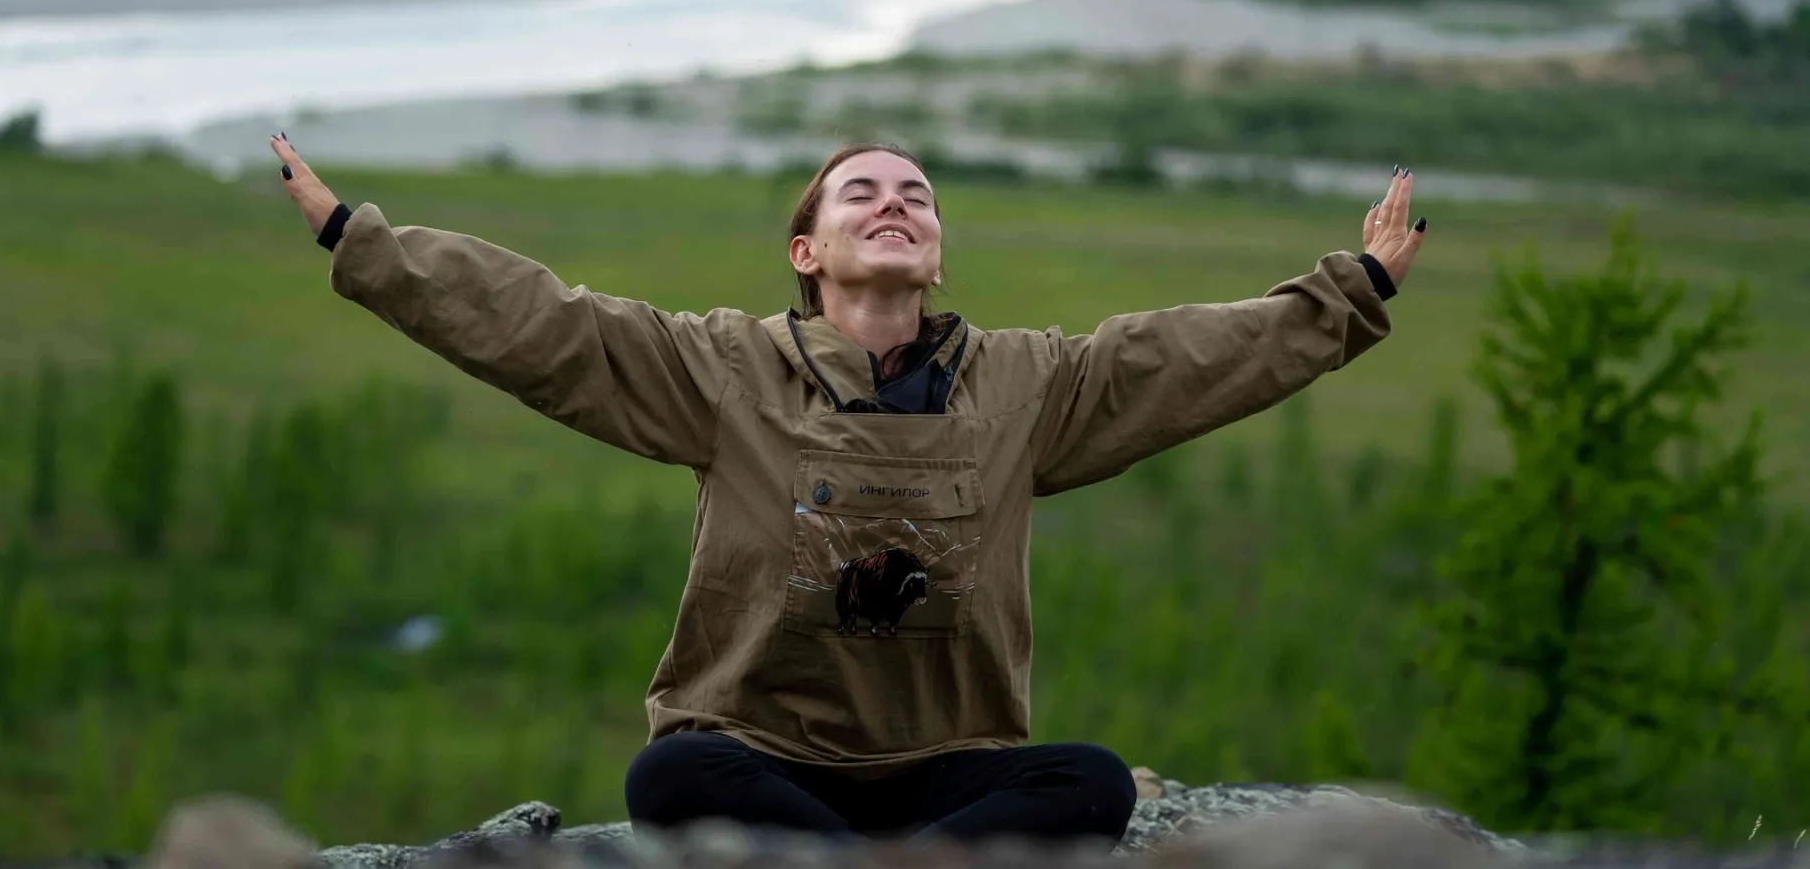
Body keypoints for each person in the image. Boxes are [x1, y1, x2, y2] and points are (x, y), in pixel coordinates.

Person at [267, 134, 1427, 849]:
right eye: (860, 192)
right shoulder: (720, 370)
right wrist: (358, 242)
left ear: (936, 254)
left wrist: (1353, 287)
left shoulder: (1030, 385)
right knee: (670, 773)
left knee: (1092, 783)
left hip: (946, 760)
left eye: (916, 196)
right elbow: (544, 326)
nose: (894, 204)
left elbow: (1186, 359)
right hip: (763, 752)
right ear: (806, 251)